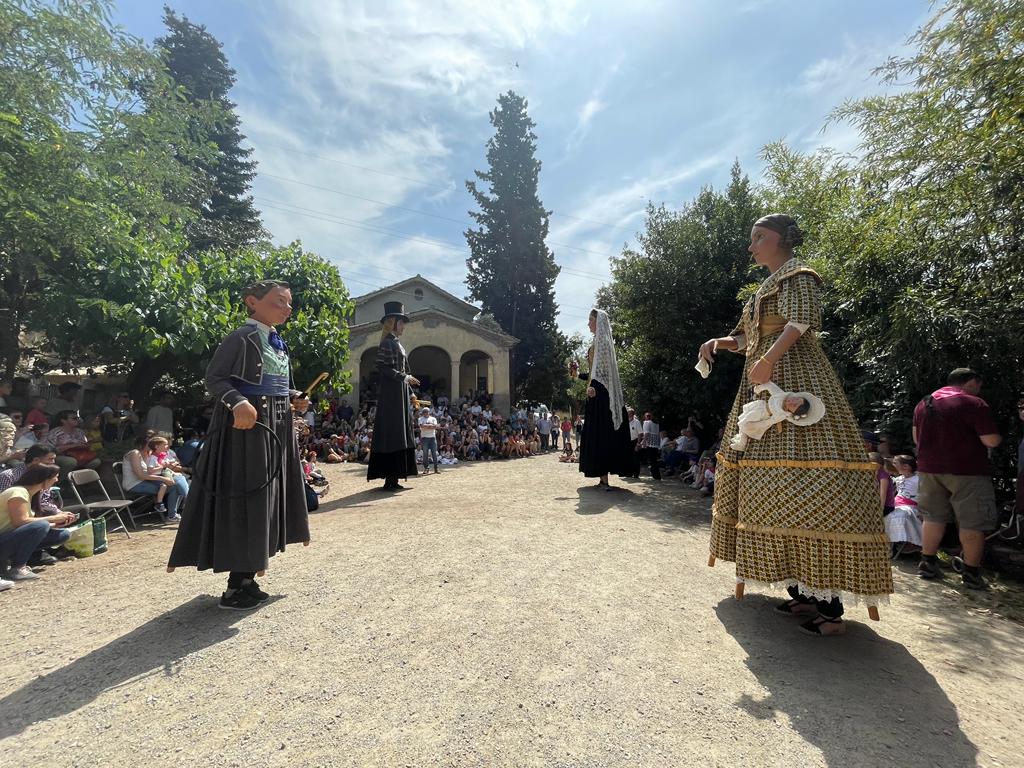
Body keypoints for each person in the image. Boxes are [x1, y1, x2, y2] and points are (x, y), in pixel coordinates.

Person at [700, 213, 892, 636]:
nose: (752, 245)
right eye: (751, 238)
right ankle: (802, 592)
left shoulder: (799, 277)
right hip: (761, 388)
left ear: (782, 239)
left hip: (798, 384)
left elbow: (800, 322)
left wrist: (769, 359)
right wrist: (718, 342)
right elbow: (747, 339)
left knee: (812, 485)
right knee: (773, 486)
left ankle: (831, 606)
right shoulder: (761, 290)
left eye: (759, 237)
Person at [168, 280, 311, 610]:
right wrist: (237, 402)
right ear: (253, 302)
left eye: (289, 303)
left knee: (268, 499)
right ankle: (235, 585)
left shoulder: (278, 342)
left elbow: (278, 386)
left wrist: (294, 399)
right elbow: (216, 378)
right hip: (247, 430)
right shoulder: (239, 337)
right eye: (279, 302)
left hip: (276, 426)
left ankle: (247, 578)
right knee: (248, 497)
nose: (286, 309)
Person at [913, 368, 1001, 590]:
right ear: (971, 382)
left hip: (929, 469)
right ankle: (971, 574)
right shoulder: (974, 403)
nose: (979, 390)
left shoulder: (925, 402)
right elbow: (991, 441)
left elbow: (916, 438)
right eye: (978, 385)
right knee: (972, 522)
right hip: (967, 471)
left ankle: (927, 563)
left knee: (933, 517)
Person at [569, 309, 638, 490]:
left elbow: (605, 376)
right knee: (595, 435)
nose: (588, 324)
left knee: (602, 435)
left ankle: (605, 478)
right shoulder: (596, 344)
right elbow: (594, 374)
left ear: (598, 322)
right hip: (595, 395)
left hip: (602, 397)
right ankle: (602, 477)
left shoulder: (604, 344)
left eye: (590, 320)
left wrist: (595, 388)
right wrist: (578, 376)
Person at [367, 302, 419, 491]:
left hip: (401, 395)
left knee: (401, 435)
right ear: (393, 322)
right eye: (401, 322)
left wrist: (411, 394)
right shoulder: (387, 343)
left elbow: (404, 371)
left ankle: (395, 477)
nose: (403, 326)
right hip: (391, 397)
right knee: (393, 435)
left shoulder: (398, 344)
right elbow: (383, 368)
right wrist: (404, 377)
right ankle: (390, 479)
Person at [0, 464, 75, 583]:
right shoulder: (17, 492)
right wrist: (54, 518)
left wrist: (56, 524)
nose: (56, 480)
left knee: (63, 534)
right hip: (3, 539)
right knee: (42, 525)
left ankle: (12, 560)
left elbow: (24, 527)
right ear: (44, 479)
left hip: (10, 537)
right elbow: (20, 521)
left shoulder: (30, 495)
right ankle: (18, 567)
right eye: (55, 477)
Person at [729, 382, 825, 452]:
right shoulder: (781, 396)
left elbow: (771, 421)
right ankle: (741, 439)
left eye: (794, 405)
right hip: (759, 406)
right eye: (796, 399)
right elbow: (770, 386)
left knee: (745, 425)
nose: (792, 402)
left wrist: (758, 425)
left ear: (792, 412)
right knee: (743, 421)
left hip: (762, 416)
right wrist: (759, 388)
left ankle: (742, 443)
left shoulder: (782, 414)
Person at [122, 436, 184, 522]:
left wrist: (170, 472)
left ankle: (172, 513)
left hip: (147, 481)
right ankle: (171, 515)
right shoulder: (134, 453)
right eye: (152, 443)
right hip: (134, 484)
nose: (154, 445)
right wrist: (163, 479)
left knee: (175, 483)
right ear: (145, 443)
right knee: (173, 487)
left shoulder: (150, 454)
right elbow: (141, 475)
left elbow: (155, 470)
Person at [885, 454, 923, 555]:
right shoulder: (899, 478)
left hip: (912, 506)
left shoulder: (918, 479)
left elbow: (926, 496)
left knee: (901, 515)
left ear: (906, 467)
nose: (893, 465)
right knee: (887, 513)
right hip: (897, 505)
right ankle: (888, 544)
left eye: (895, 463)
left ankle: (912, 542)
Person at [638, 412, 663, 480]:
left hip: (650, 443)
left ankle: (655, 476)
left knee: (651, 460)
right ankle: (657, 476)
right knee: (654, 460)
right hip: (656, 444)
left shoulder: (646, 423)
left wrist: (643, 442)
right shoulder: (656, 424)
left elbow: (647, 433)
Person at [418, 407, 440, 475]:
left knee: (434, 453)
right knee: (425, 454)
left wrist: (427, 426)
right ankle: (426, 468)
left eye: (426, 412)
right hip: (424, 438)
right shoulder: (420, 419)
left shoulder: (433, 418)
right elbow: (421, 426)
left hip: (432, 437)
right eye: (424, 412)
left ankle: (436, 468)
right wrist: (430, 426)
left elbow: (436, 426)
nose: (425, 413)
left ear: (428, 412)